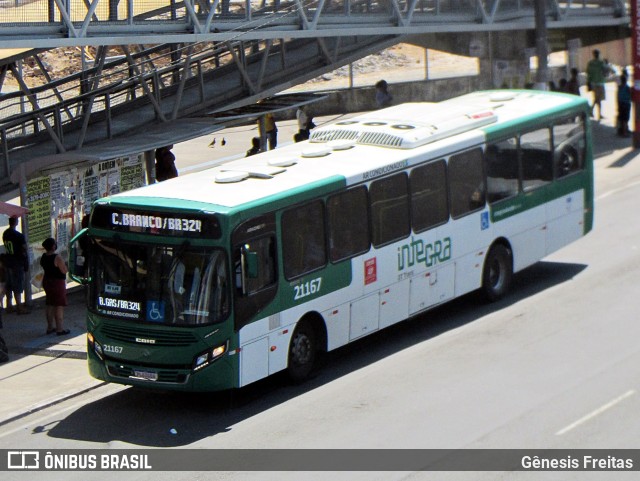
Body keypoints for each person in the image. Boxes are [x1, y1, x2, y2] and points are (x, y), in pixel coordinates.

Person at [40, 237, 69, 336]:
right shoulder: (57, 257)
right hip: (57, 283)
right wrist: (67, 266)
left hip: (47, 281)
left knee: (50, 304)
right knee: (59, 305)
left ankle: (49, 327)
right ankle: (59, 329)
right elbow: (64, 270)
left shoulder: (43, 257)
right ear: (53, 246)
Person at [2, 216, 28, 314]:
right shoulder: (19, 236)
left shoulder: (5, 233)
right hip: (17, 262)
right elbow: (24, 248)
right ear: (16, 222)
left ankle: (9, 305)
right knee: (18, 285)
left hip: (8, 261)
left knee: (9, 284)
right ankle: (19, 307)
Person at [586, 49, 607, 120]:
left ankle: (595, 112)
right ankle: (592, 111)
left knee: (597, 98)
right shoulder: (601, 63)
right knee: (598, 99)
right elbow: (605, 71)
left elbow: (588, 73)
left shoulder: (590, 63)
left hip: (593, 83)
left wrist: (589, 82)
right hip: (600, 82)